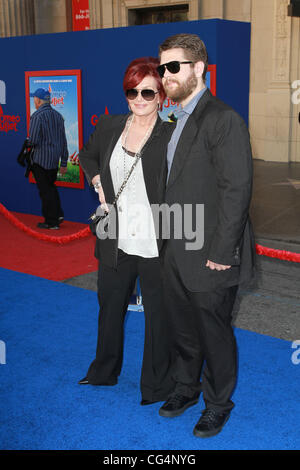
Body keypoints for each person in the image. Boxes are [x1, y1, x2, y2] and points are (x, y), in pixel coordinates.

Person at [157, 34, 255, 437]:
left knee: (213, 332)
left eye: (174, 67)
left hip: (211, 250)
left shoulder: (222, 118)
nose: (166, 75)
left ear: (199, 68)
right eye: (162, 68)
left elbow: (237, 189)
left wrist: (222, 251)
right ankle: (186, 387)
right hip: (174, 244)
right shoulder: (173, 117)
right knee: (181, 327)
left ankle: (218, 403)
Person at [78, 57, 174, 405]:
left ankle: (156, 386)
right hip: (114, 235)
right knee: (110, 306)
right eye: (132, 91)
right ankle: (103, 371)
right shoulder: (109, 126)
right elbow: (87, 156)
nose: (139, 98)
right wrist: (97, 177)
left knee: (159, 316)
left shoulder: (171, 134)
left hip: (156, 238)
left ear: (162, 95)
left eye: (148, 92)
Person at [28, 88, 68, 229]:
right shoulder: (58, 116)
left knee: (45, 191)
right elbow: (63, 141)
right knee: (50, 188)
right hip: (53, 161)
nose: (33, 101)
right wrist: (64, 162)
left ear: (38, 100)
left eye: (34, 99)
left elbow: (33, 140)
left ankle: (51, 222)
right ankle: (58, 214)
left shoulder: (36, 116)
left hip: (40, 160)